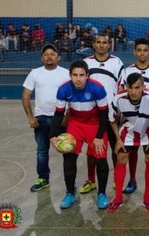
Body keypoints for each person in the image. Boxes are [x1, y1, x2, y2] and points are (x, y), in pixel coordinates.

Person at [49, 60, 109, 209]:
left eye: (82, 75)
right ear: (70, 75)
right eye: (75, 75)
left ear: (87, 75)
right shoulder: (63, 89)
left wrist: (99, 136)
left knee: (101, 160)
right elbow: (58, 114)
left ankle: (102, 194)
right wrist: (53, 136)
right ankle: (70, 193)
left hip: (95, 124)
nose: (78, 79)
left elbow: (104, 114)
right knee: (68, 159)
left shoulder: (98, 88)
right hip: (75, 124)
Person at [119, 37, 149, 194]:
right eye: (139, 50)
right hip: (132, 119)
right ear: (134, 51)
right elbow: (121, 94)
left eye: (145, 50)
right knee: (131, 151)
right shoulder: (127, 71)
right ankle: (132, 180)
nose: (142, 53)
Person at [107, 73, 149, 212]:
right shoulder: (118, 99)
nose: (134, 91)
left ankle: (147, 197)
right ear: (126, 87)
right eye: (130, 88)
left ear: (144, 87)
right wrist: (118, 140)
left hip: (148, 129)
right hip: (128, 130)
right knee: (121, 157)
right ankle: (118, 197)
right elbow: (112, 120)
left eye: (137, 87)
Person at [80, 33, 124, 194]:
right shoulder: (86, 63)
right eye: (98, 42)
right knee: (92, 150)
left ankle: (115, 179)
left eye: (104, 42)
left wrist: (119, 108)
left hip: (111, 113)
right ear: (94, 44)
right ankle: (91, 180)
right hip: (92, 114)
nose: (101, 45)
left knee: (115, 148)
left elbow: (121, 87)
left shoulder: (116, 62)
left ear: (109, 45)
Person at [22, 44, 70, 192]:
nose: (49, 57)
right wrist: (30, 117)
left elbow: (72, 97)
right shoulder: (35, 73)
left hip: (61, 119)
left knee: (67, 152)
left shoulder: (66, 74)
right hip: (41, 119)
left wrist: (66, 117)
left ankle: (70, 181)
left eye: (52, 54)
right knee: (42, 151)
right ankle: (43, 179)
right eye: (46, 54)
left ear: (58, 57)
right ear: (42, 58)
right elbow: (25, 96)